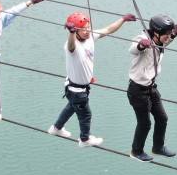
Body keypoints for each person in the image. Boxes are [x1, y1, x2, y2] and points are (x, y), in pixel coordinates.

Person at [48, 11, 137, 147]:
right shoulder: (71, 44)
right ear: (75, 31)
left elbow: (108, 29)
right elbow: (72, 47)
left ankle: (56, 128)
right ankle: (85, 139)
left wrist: (123, 20)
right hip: (77, 90)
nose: (86, 31)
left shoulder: (90, 36)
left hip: (75, 87)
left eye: (88, 27)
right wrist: (71, 33)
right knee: (85, 115)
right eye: (82, 29)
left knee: (71, 107)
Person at [126, 14, 177, 162]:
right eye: (166, 34)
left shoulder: (159, 40)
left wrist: (175, 33)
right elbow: (133, 49)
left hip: (151, 88)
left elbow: (164, 43)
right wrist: (142, 45)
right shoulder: (142, 38)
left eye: (169, 34)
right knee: (145, 123)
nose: (168, 37)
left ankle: (158, 147)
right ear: (156, 33)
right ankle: (136, 151)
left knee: (162, 118)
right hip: (137, 90)